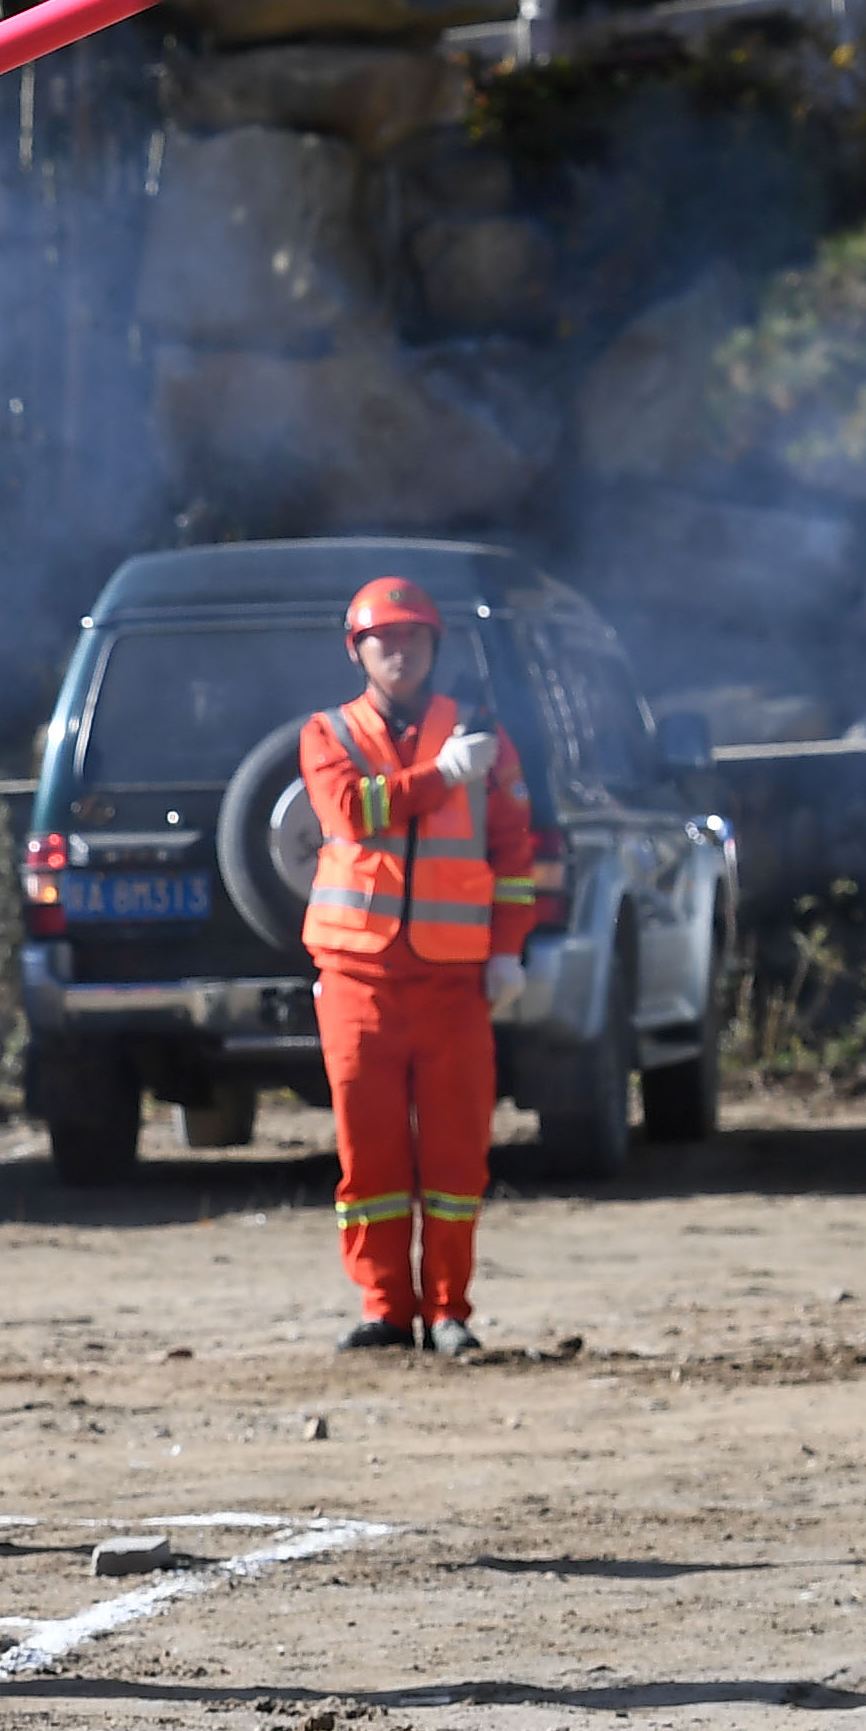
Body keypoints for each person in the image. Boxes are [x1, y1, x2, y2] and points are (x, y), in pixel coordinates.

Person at [300, 574, 540, 1354]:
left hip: (455, 983)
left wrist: (507, 951)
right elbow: (354, 813)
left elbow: (514, 855)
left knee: (453, 1155)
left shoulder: (484, 736)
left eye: (413, 637)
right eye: (384, 638)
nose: (399, 651)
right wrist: (443, 776)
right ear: (357, 650)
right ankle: (383, 1308)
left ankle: (448, 1311)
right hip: (357, 981)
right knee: (366, 1153)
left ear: (435, 647)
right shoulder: (326, 733)